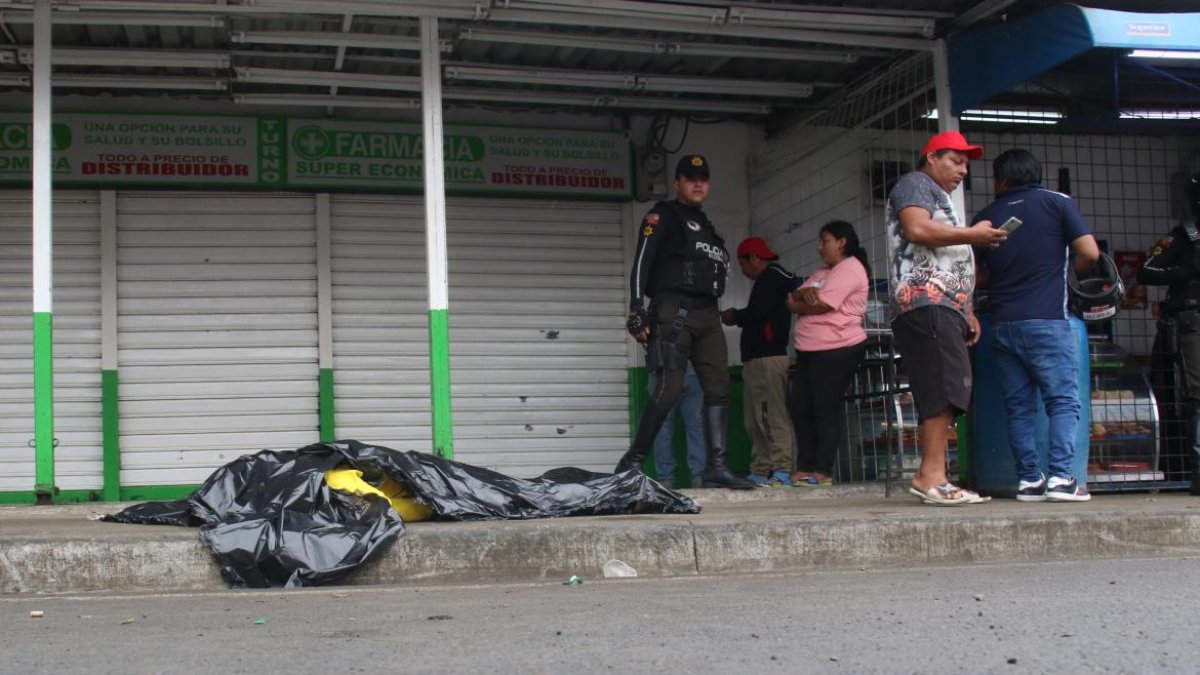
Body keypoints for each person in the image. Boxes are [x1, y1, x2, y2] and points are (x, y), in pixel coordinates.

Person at [885, 130, 1008, 506]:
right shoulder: (916, 184)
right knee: (943, 388)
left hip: (943, 304)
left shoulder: (940, 198)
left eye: (967, 164)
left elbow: (947, 258)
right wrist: (974, 235)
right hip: (925, 301)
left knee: (949, 387)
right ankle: (931, 476)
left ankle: (934, 474)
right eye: (955, 160)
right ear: (932, 157)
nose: (963, 170)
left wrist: (965, 306)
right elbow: (917, 229)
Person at [617, 154, 754, 489]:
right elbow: (641, 264)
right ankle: (631, 463)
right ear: (677, 182)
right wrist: (636, 309)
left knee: (718, 387)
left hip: (708, 314)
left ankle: (716, 466)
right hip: (672, 311)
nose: (697, 183)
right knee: (668, 389)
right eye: (690, 177)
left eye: (703, 178)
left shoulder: (706, 225)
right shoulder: (662, 215)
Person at [974, 149, 1100, 502]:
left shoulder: (987, 216)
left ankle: (1029, 480)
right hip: (1048, 321)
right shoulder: (1058, 203)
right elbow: (1090, 253)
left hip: (1002, 324)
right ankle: (1062, 478)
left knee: (1019, 407)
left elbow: (977, 275)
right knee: (1062, 401)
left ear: (1000, 180)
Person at [787, 220, 870, 487]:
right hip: (809, 351)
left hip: (838, 349)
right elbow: (790, 300)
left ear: (841, 242)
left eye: (825, 241)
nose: (820, 247)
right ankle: (805, 466)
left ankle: (822, 470)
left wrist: (803, 303)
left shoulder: (850, 269)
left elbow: (823, 305)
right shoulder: (824, 272)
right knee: (800, 407)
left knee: (824, 408)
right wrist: (803, 295)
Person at [1137, 170, 1200, 496]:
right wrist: (1186, 271)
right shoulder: (1184, 237)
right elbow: (1145, 271)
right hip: (1192, 323)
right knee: (1197, 397)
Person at [720, 237, 796, 486]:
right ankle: (761, 469)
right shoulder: (770, 279)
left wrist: (734, 316)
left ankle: (781, 468)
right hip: (756, 360)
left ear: (753, 257)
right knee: (754, 418)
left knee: (770, 415)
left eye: (743, 264)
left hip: (767, 358)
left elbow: (757, 314)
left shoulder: (773, 277)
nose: (743, 271)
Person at [646, 362, 707, 489]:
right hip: (691, 370)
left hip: (662, 371)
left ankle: (666, 480)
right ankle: (699, 477)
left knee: (662, 428)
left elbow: (641, 340)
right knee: (696, 428)